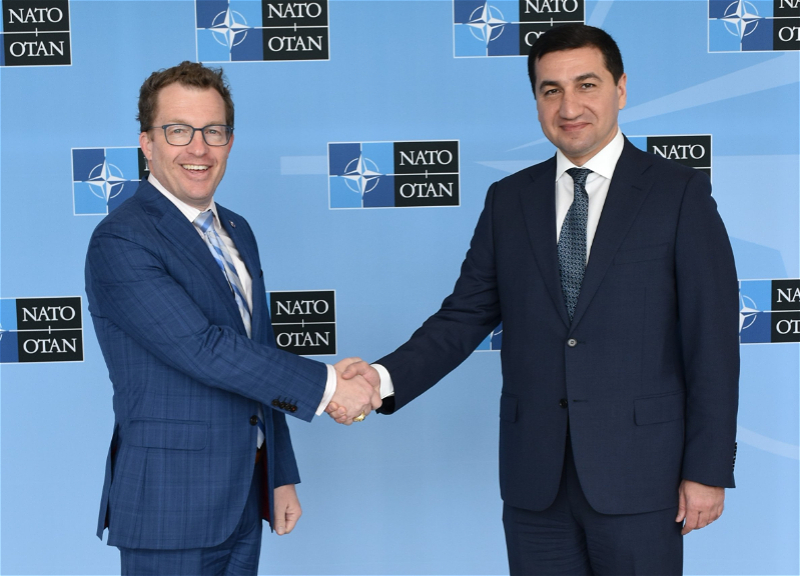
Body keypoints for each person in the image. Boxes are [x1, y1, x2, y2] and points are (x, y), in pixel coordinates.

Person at [335, 24, 739, 575]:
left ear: (621, 89)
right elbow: (463, 316)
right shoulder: (509, 200)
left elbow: (712, 342)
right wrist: (380, 380)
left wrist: (707, 469)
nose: (569, 107)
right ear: (536, 100)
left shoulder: (678, 193)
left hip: (643, 477)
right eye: (551, 90)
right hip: (535, 483)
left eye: (586, 85)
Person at [85, 61, 380, 576]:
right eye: (178, 131)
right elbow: (204, 349)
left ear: (230, 141)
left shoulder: (236, 229)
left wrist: (279, 473)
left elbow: (258, 354)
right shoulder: (122, 238)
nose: (198, 148)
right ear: (147, 143)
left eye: (213, 131)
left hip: (244, 492)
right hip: (169, 506)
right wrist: (331, 386)